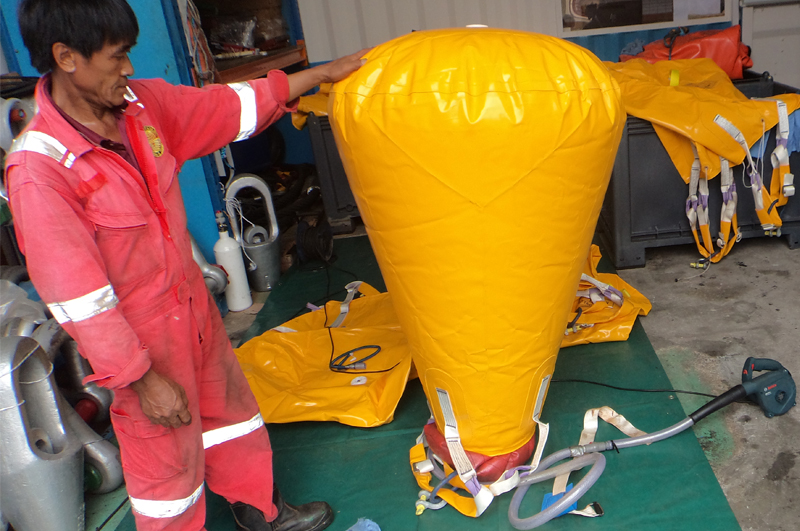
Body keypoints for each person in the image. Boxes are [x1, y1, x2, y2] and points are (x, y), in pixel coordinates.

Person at [5, 1, 367, 530]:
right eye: (117, 56)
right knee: (167, 471)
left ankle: (260, 510)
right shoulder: (41, 171)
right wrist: (142, 379)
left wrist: (319, 74)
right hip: (140, 345)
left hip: (193, 311)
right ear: (66, 58)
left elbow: (225, 107)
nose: (129, 68)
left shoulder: (139, 108)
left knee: (231, 416)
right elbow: (80, 301)